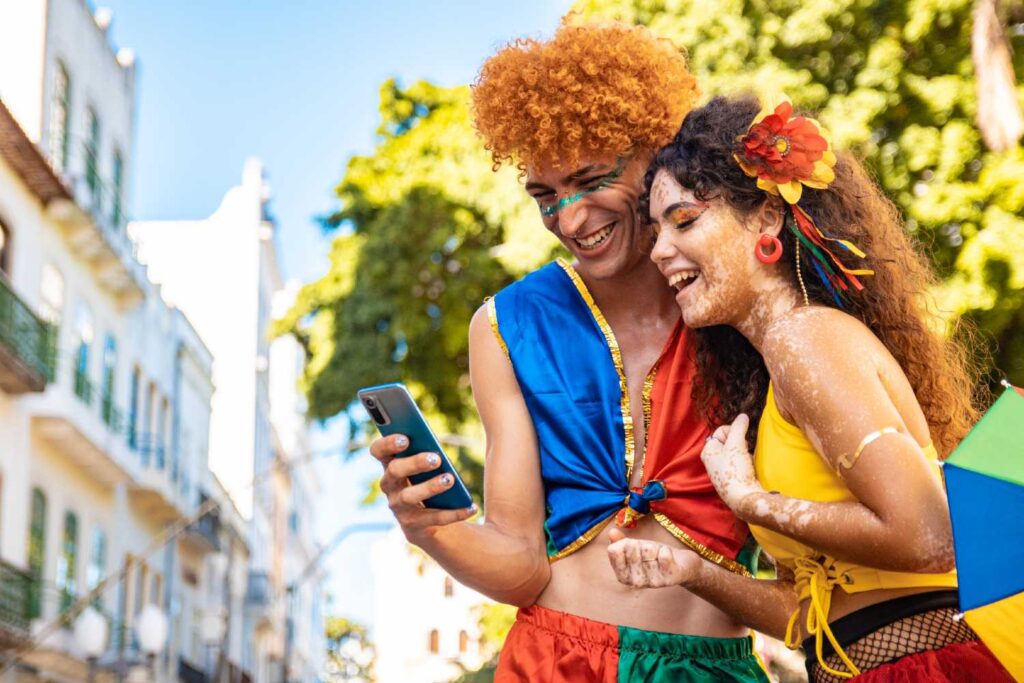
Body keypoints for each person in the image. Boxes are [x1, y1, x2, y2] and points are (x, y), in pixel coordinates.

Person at [369, 22, 768, 682]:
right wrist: (430, 528)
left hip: (715, 666)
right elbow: (523, 565)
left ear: (653, 154)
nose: (571, 219)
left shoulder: (738, 298)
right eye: (545, 196)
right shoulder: (505, 325)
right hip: (555, 661)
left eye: (589, 180)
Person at [608, 94, 1014, 682]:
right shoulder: (780, 368)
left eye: (685, 220)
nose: (661, 251)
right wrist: (692, 571)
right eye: (655, 231)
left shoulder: (809, 340)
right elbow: (813, 616)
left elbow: (928, 536)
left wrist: (753, 504)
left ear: (767, 219)